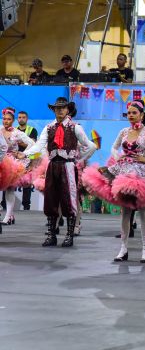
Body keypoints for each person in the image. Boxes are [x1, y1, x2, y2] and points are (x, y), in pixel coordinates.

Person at [82, 100, 145, 263]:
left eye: (134, 113)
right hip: (124, 173)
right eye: (128, 113)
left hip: (142, 174)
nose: (131, 116)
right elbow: (114, 147)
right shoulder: (123, 131)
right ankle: (123, 248)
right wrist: (117, 157)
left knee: (143, 211)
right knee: (125, 212)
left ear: (141, 115)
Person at [22, 97, 96, 247]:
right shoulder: (49, 127)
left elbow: (91, 146)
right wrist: (25, 155)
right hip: (52, 166)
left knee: (69, 199)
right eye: (57, 108)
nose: (60, 110)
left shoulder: (75, 127)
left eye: (63, 108)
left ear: (68, 110)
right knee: (51, 198)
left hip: (68, 166)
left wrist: (79, 160)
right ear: (53, 110)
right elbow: (38, 146)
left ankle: (69, 235)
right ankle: (52, 234)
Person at [1, 107, 33, 225]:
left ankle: (7, 217)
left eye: (9, 119)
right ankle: (10, 216)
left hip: (10, 165)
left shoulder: (17, 133)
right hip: (0, 161)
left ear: (13, 120)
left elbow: (32, 143)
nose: (6, 121)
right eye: (4, 119)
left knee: (9, 189)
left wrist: (23, 154)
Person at [17, 111, 38, 211]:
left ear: (27, 119)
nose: (21, 119)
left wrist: (19, 142)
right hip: (15, 161)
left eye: (23, 117)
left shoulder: (32, 130)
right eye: (19, 117)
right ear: (17, 119)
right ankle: (4, 205)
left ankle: (26, 206)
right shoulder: (14, 130)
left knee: (27, 183)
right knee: (9, 183)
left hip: (28, 159)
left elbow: (33, 146)